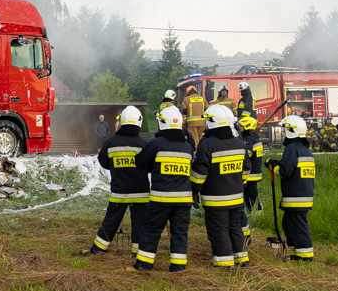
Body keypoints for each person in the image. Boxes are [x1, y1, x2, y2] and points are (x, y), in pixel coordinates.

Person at [129, 106, 194, 273]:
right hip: (184, 200)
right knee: (180, 232)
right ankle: (178, 266)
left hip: (161, 199)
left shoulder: (156, 144)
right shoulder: (187, 148)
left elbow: (140, 163)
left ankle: (144, 264)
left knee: (151, 229)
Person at [81, 106, 150, 257]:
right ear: (139, 122)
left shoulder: (111, 142)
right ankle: (137, 253)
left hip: (120, 192)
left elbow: (103, 162)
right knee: (139, 223)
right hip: (141, 193)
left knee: (111, 221)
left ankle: (98, 249)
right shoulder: (144, 144)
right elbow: (150, 166)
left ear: (122, 121)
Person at [191, 105, 251, 268]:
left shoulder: (207, 144)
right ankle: (241, 259)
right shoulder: (239, 143)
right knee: (235, 228)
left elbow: (199, 174)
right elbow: (246, 169)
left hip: (215, 199)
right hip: (236, 197)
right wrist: (236, 183)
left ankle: (224, 262)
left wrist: (194, 191)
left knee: (219, 229)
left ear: (212, 122)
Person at [265, 116, 315, 262]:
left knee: (298, 226)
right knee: (289, 224)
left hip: (295, 196)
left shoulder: (291, 148)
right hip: (303, 195)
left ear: (292, 131)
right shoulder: (305, 149)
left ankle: (305, 258)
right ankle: (295, 255)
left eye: (286, 130)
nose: (284, 134)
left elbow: (285, 172)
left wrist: (274, 166)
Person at [238, 116, 264, 222]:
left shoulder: (249, 140)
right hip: (254, 171)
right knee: (249, 193)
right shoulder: (253, 138)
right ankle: (252, 210)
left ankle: (258, 211)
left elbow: (246, 154)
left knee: (251, 193)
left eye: (241, 126)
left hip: (251, 173)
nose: (239, 128)